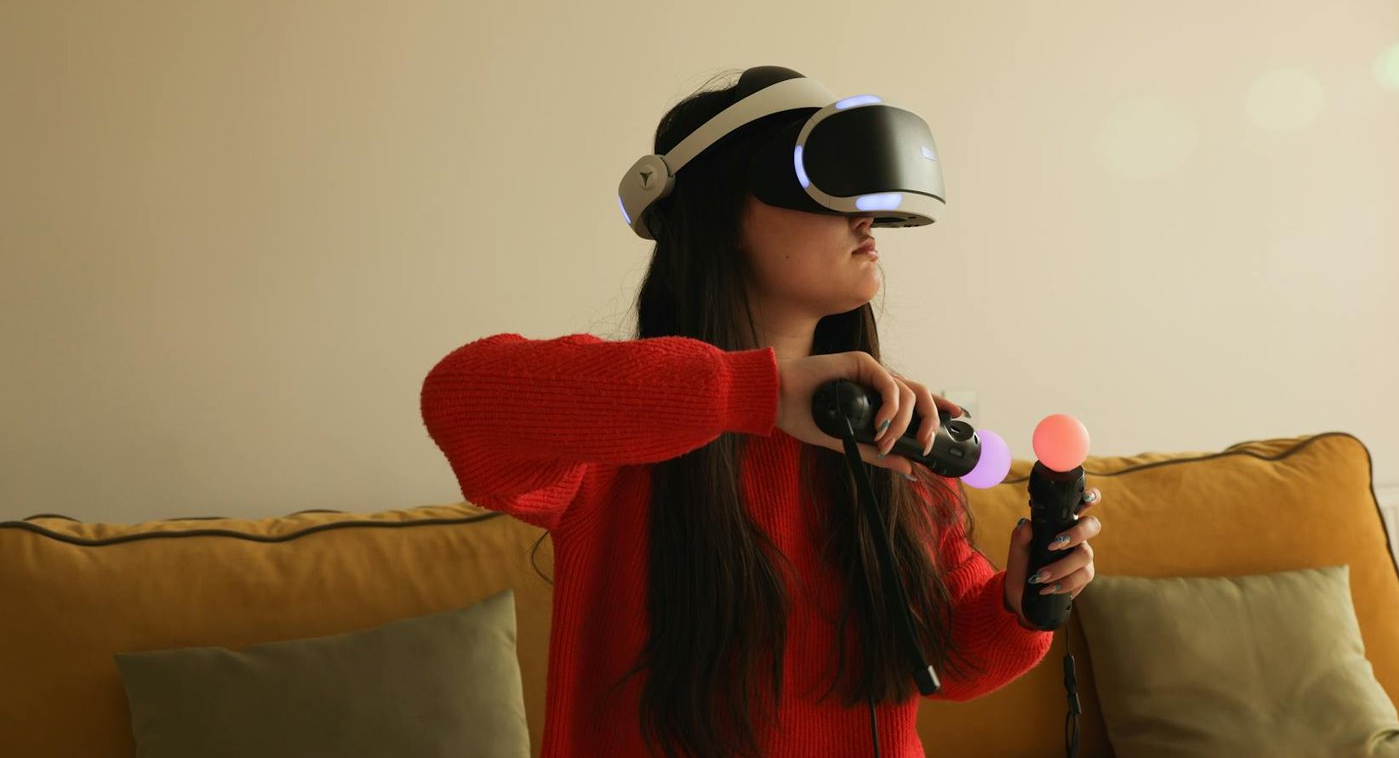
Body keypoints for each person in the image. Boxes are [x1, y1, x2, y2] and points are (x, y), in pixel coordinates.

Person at [420, 67, 1102, 758]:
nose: (866, 216)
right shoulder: (618, 436)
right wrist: (758, 395)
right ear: (725, 216)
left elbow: (945, 658)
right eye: (827, 186)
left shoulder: (889, 430)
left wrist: (1019, 605)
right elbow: (459, 397)